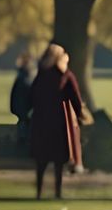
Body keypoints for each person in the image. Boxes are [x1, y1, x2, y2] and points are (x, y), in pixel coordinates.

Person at [28, 43, 85, 200]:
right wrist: (79, 116)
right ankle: (57, 192)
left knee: (42, 159)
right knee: (58, 159)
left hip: (41, 120)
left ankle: (39, 192)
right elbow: (75, 98)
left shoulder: (41, 74)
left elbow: (32, 96)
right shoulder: (65, 74)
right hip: (59, 120)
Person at [9, 49, 34, 151]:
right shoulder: (26, 75)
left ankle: (23, 141)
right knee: (23, 123)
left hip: (23, 105)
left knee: (23, 123)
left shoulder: (24, 76)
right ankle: (23, 140)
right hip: (24, 106)